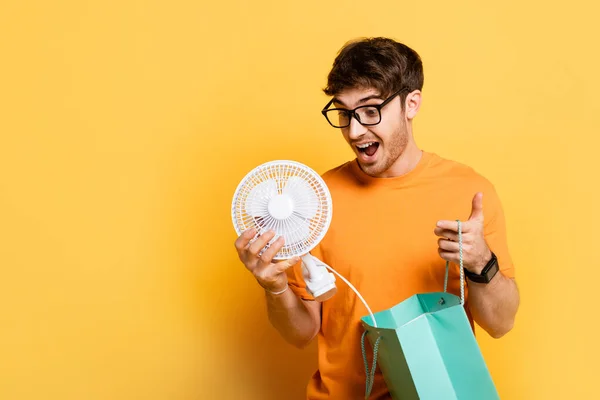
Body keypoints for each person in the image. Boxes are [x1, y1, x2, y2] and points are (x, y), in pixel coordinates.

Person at [234, 37, 520, 399]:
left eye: (370, 111)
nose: (354, 131)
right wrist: (274, 287)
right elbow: (300, 333)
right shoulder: (315, 201)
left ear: (411, 104)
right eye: (344, 113)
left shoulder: (469, 192)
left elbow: (501, 323)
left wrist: (483, 263)